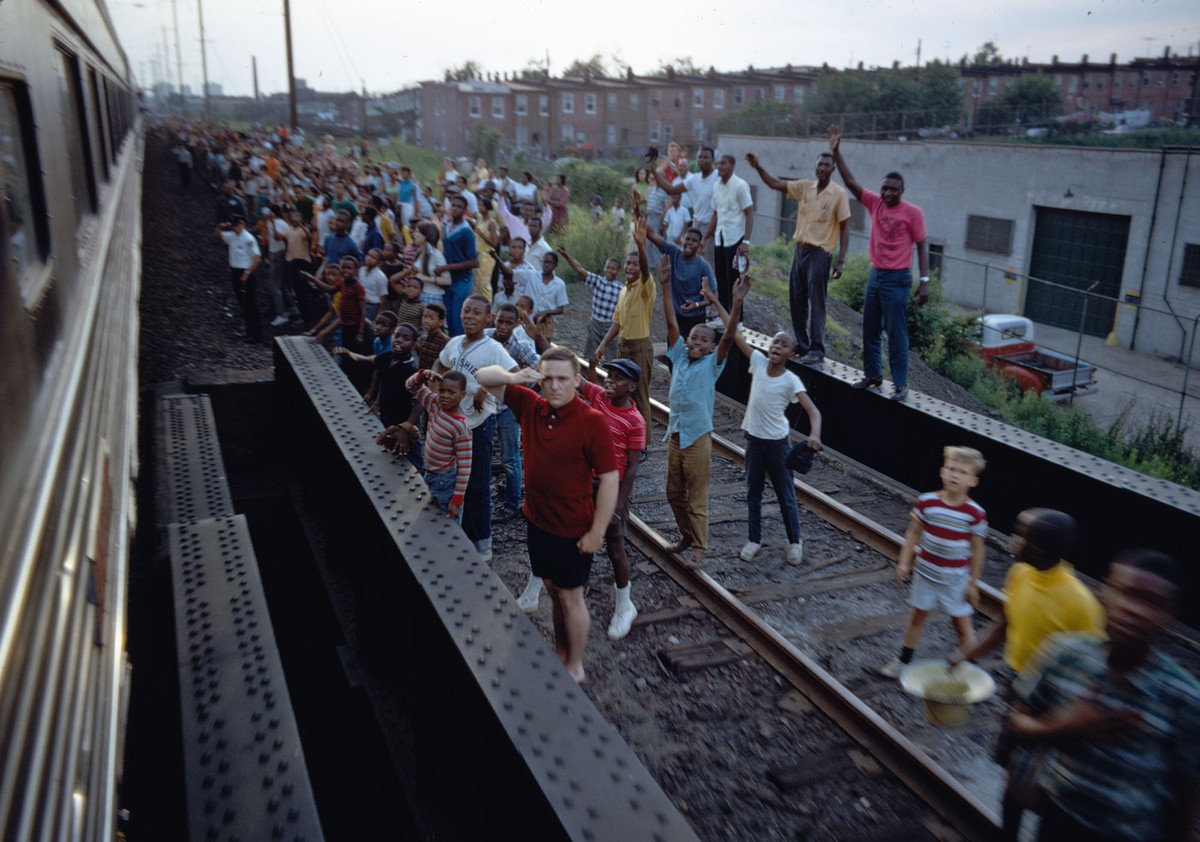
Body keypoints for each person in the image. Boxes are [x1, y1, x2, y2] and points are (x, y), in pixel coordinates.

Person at [1006, 549, 1200, 842]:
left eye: (1153, 603)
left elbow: (1185, 795)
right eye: (1127, 593)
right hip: (1058, 818)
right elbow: (1015, 723)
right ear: (1104, 592)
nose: (1135, 610)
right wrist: (1061, 727)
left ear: (1168, 617)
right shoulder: (1062, 653)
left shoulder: (1184, 697)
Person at [952, 508, 1104, 841]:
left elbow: (1097, 666)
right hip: (1018, 686)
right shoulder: (1019, 573)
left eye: (1021, 535)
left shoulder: (1080, 603)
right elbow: (1007, 625)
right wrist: (967, 654)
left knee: (1045, 782)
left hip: (1057, 701)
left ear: (1039, 549)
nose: (1014, 539)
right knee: (1013, 772)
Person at [476, 348, 619, 683]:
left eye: (562, 379)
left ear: (577, 381)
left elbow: (610, 478)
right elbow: (484, 376)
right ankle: (560, 650)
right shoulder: (531, 405)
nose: (554, 386)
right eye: (548, 378)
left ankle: (576, 665)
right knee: (553, 590)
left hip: (572, 530)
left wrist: (597, 532)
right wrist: (515, 377)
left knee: (571, 598)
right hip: (538, 522)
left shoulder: (592, 421)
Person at [517, 358, 645, 643]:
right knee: (552, 536)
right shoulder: (598, 396)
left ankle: (625, 605)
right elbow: (569, 374)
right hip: (583, 482)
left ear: (632, 387)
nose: (610, 380)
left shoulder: (635, 421)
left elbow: (633, 466)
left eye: (619, 378)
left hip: (610, 488)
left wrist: (619, 505)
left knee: (614, 545)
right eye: (609, 375)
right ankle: (533, 589)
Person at [829, 125, 929, 401]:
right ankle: (873, 375)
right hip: (876, 275)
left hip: (898, 279)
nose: (887, 193)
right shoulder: (875, 204)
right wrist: (836, 152)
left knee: (896, 333)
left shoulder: (913, 212)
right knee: (870, 328)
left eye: (893, 190)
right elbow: (850, 182)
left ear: (902, 190)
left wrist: (924, 282)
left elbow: (922, 246)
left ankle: (900, 385)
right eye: (884, 188)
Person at [880, 446, 988, 678]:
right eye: (951, 469)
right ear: (941, 472)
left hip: (956, 580)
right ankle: (903, 661)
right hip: (925, 574)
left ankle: (971, 670)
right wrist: (904, 563)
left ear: (973, 480)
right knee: (918, 616)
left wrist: (973, 583)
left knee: (962, 625)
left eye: (961, 472)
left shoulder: (975, 513)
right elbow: (913, 534)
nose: (954, 475)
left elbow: (978, 551)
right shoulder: (926, 503)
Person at [661, 269, 741, 569]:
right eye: (693, 337)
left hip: (698, 439)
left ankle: (699, 547)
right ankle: (686, 535)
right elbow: (671, 322)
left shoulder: (712, 364)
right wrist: (666, 285)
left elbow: (730, 336)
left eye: (703, 340)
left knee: (696, 496)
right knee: (672, 493)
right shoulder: (680, 357)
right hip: (676, 435)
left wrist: (735, 304)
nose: (696, 342)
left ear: (710, 347)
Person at [727, 325, 823, 567]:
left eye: (783, 344)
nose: (776, 346)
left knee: (785, 494)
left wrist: (815, 434)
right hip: (755, 441)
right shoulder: (758, 362)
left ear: (791, 354)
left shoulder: (792, 380)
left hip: (779, 444)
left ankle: (795, 542)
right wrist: (731, 303)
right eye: (774, 342)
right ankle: (754, 540)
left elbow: (814, 412)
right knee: (753, 492)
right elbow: (735, 335)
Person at [745, 150, 850, 365]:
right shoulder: (805, 187)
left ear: (833, 169)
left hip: (820, 253)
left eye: (826, 166)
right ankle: (802, 346)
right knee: (797, 299)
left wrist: (841, 261)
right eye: (819, 165)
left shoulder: (838, 194)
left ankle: (817, 349)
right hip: (800, 251)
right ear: (815, 166)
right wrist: (758, 167)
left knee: (817, 301)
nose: (822, 169)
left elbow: (846, 228)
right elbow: (775, 184)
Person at [433, 295, 518, 562]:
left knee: (477, 486)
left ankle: (483, 545)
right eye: (466, 311)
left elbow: (515, 375)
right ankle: (457, 534)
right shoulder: (454, 343)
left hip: (478, 426)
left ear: (488, 319)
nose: (470, 316)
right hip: (452, 425)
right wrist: (434, 382)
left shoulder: (493, 349)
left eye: (476, 313)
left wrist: (487, 387)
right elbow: (441, 363)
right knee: (451, 478)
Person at [595, 217, 655, 443]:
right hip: (624, 346)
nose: (631, 268)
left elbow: (648, 272)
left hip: (640, 348)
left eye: (635, 264)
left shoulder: (645, 288)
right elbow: (617, 321)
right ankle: (624, 435)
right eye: (628, 264)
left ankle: (643, 444)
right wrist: (603, 344)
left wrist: (641, 244)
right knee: (623, 394)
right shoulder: (623, 291)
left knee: (640, 396)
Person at [486, 303, 542, 524]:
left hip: (507, 410)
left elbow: (541, 370)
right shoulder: (485, 337)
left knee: (510, 457)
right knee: (484, 452)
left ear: (517, 324)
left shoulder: (519, 345)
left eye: (509, 323)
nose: (502, 326)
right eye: (500, 321)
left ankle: (513, 504)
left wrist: (527, 397)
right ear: (494, 318)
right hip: (486, 407)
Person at [406, 369, 472, 521]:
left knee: (448, 521)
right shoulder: (435, 403)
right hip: (430, 474)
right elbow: (410, 386)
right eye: (441, 390)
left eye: (451, 392)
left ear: (463, 394)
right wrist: (421, 376)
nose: (444, 396)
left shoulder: (461, 426)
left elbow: (465, 466)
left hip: (446, 482)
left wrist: (457, 500)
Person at [704, 154, 754, 313]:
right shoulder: (716, 186)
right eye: (718, 163)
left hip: (735, 241)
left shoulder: (740, 186)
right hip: (720, 239)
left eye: (723, 163)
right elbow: (715, 214)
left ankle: (737, 321)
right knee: (721, 280)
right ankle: (723, 317)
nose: (719, 166)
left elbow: (750, 213)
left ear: (732, 166)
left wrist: (745, 242)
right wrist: (704, 238)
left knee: (734, 282)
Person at [646, 225, 713, 339]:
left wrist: (696, 305)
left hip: (695, 319)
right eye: (687, 239)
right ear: (682, 239)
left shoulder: (703, 266)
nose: (690, 243)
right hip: (675, 317)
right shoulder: (674, 253)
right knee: (673, 352)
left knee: (693, 352)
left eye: (694, 241)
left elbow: (714, 296)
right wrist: (637, 212)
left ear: (699, 244)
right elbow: (651, 234)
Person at [558, 245, 622, 363]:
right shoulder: (598, 281)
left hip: (611, 326)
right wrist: (567, 256)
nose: (609, 270)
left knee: (612, 361)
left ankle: (609, 381)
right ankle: (592, 380)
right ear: (604, 268)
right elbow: (579, 269)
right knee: (592, 359)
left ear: (618, 271)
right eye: (607, 267)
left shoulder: (621, 289)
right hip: (595, 323)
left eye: (613, 268)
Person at [217, 215, 263, 343]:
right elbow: (219, 236)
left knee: (251, 304)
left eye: (235, 226)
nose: (233, 228)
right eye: (232, 226)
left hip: (245, 272)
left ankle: (256, 334)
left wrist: (247, 273)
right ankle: (249, 331)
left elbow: (257, 258)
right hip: (235, 271)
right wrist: (219, 227)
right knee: (243, 303)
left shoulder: (248, 238)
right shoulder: (232, 236)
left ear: (241, 224)